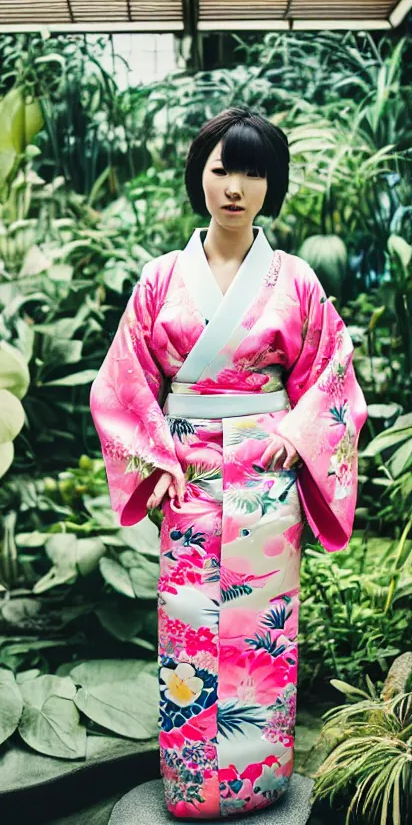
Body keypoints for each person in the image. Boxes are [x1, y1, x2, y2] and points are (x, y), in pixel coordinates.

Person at [89, 106, 368, 819]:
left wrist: (302, 432)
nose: (236, 186)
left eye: (254, 172)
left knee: (261, 633)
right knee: (189, 627)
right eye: (223, 169)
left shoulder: (296, 279)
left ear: (271, 184)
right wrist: (155, 461)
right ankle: (191, 784)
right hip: (190, 479)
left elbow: (332, 372)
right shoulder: (160, 278)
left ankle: (261, 780)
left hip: (267, 484)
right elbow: (123, 381)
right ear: (200, 176)